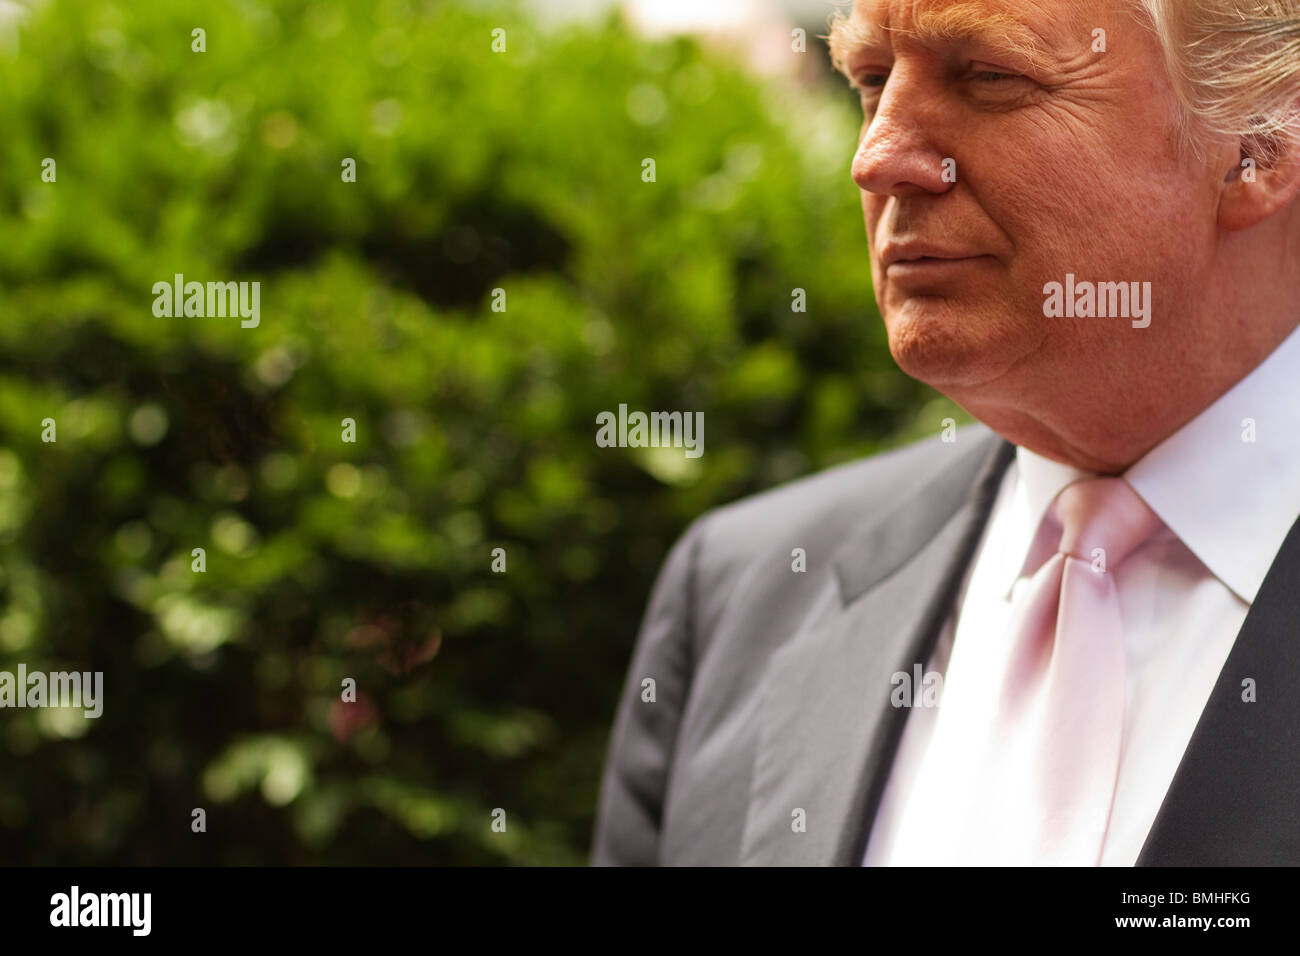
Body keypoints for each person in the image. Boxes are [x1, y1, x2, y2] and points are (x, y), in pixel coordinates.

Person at [591, 0, 1300, 865]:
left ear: (1263, 142)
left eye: (989, 76)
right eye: (871, 80)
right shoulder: (743, 594)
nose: (877, 157)